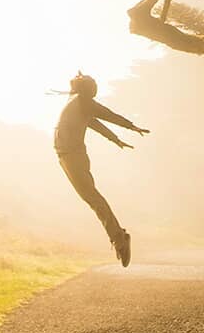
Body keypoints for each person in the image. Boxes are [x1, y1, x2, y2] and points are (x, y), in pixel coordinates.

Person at [54, 72, 148, 266]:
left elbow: (107, 115)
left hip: (73, 156)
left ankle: (119, 238)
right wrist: (117, 139)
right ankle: (118, 236)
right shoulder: (77, 101)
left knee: (93, 198)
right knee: (91, 198)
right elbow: (97, 123)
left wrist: (130, 127)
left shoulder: (81, 101)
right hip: (65, 156)